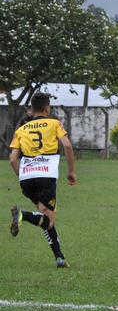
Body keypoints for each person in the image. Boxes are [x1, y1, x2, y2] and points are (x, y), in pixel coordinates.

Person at [9, 92, 77, 268]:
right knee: (49, 220)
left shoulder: (21, 130)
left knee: (45, 217)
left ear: (32, 109)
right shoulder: (54, 124)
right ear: (47, 109)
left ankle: (60, 258)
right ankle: (23, 215)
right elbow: (67, 145)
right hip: (46, 176)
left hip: (27, 178)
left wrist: (23, 175)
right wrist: (71, 172)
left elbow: (13, 159)